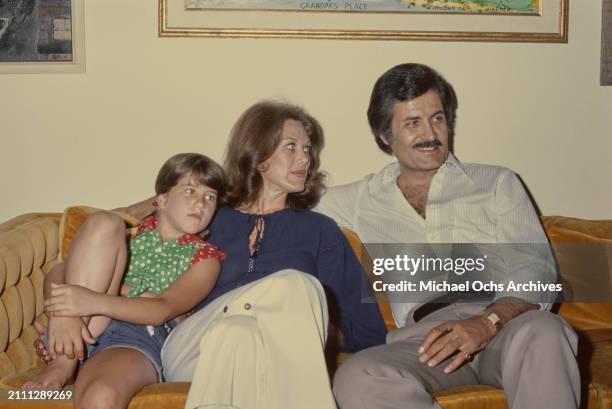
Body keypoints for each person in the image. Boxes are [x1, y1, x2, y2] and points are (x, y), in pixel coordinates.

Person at [33, 101, 387, 409]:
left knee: (252, 322)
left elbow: (368, 330)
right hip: (189, 348)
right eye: (291, 147)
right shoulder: (208, 214)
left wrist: (302, 324)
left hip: (261, 353)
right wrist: (65, 313)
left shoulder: (320, 230)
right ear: (258, 154)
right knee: (293, 284)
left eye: (308, 149)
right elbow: (104, 236)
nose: (305, 159)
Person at [317, 63, 581, 409]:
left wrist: (488, 322)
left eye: (437, 118)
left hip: (505, 328)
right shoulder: (359, 200)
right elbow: (279, 202)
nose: (431, 134)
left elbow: (535, 268)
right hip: (425, 341)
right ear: (385, 136)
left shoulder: (497, 183)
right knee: (357, 376)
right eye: (413, 123)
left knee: (546, 331)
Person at [24, 153, 227, 409]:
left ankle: (68, 355)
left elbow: (160, 309)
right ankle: (63, 362)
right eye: (190, 191)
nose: (201, 203)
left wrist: (92, 300)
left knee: (101, 397)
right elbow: (58, 272)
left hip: (136, 336)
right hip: (85, 322)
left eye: (211, 197)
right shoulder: (126, 236)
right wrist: (62, 315)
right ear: (161, 199)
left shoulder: (205, 259)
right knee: (104, 221)